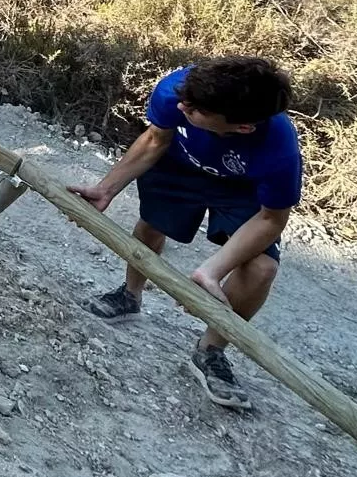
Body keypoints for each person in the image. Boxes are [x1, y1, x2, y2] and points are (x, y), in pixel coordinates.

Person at [69, 56, 301, 412]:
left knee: (262, 268)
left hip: (242, 189)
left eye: (195, 111)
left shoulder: (279, 150)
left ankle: (211, 350)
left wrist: (212, 271)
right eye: (185, 102)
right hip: (179, 165)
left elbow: (271, 219)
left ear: (242, 127)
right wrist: (106, 189)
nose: (182, 108)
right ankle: (130, 295)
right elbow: (154, 139)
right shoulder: (179, 90)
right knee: (152, 224)